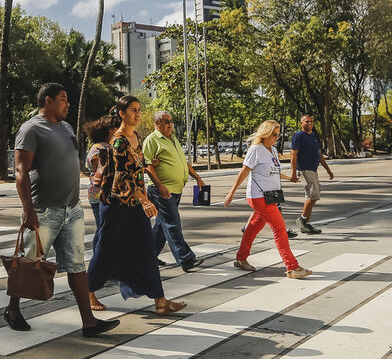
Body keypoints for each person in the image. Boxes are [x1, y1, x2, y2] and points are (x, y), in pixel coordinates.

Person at [5, 83, 119, 337]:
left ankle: (89, 323)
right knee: (28, 265)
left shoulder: (66, 127)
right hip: (43, 210)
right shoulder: (30, 129)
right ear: (48, 101)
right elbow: (21, 171)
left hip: (72, 209)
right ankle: (13, 309)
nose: (68, 104)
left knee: (77, 266)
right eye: (63, 99)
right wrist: (28, 209)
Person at [87, 96, 187, 315]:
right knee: (105, 249)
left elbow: (138, 171)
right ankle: (89, 291)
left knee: (145, 250)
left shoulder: (135, 137)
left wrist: (144, 193)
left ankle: (160, 300)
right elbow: (122, 176)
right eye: (133, 110)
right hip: (115, 205)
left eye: (139, 110)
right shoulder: (119, 140)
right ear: (122, 114)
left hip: (134, 203)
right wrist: (145, 199)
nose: (138, 114)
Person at [223, 119, 312, 278]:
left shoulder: (273, 149)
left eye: (278, 134)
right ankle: (292, 267)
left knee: (252, 228)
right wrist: (231, 192)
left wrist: (288, 178)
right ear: (264, 133)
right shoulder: (256, 149)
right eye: (273, 134)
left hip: (270, 197)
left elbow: (274, 172)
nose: (276, 137)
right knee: (280, 230)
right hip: (259, 197)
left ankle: (241, 258)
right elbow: (244, 172)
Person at [143, 111, 205, 272]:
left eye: (171, 121)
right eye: (165, 121)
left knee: (162, 225)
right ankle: (185, 259)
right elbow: (148, 165)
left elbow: (183, 162)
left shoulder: (173, 139)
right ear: (157, 124)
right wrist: (160, 186)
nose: (170, 124)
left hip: (175, 189)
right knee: (172, 224)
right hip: (161, 189)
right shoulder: (152, 140)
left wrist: (196, 177)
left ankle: (147, 257)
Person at [83, 114, 115, 311]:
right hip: (100, 194)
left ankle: (103, 263)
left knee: (104, 230)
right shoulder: (99, 148)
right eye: (112, 128)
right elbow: (98, 172)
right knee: (103, 230)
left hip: (105, 193)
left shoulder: (105, 147)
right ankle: (99, 263)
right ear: (107, 131)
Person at [289, 114, 334, 235]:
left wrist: (328, 170)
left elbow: (319, 155)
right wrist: (293, 172)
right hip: (304, 169)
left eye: (311, 122)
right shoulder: (299, 136)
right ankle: (303, 221)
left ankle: (305, 222)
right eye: (307, 122)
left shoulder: (313, 136)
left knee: (314, 195)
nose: (310, 124)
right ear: (301, 123)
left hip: (313, 170)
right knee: (312, 195)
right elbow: (293, 154)